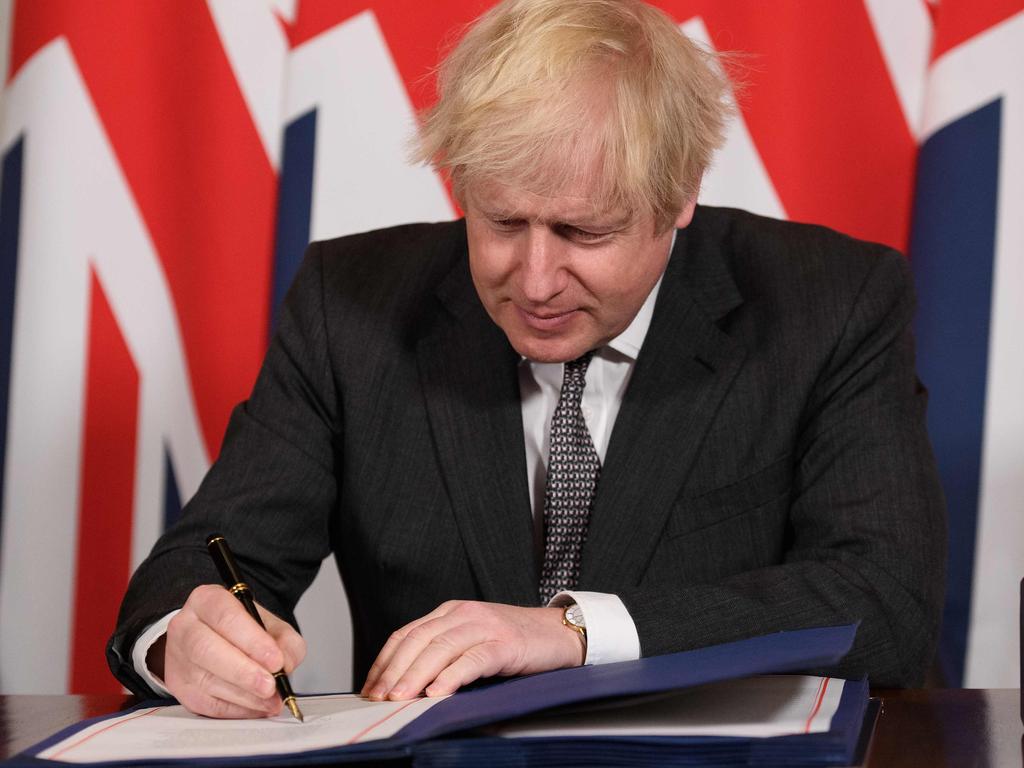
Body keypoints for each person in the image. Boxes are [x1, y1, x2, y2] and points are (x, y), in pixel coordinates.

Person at [107, 0, 946, 719]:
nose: (535, 281)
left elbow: (884, 603)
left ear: (681, 194)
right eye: (501, 222)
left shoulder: (830, 303)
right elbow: (206, 559)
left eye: (585, 232)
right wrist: (183, 636)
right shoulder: (349, 304)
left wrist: (571, 631)